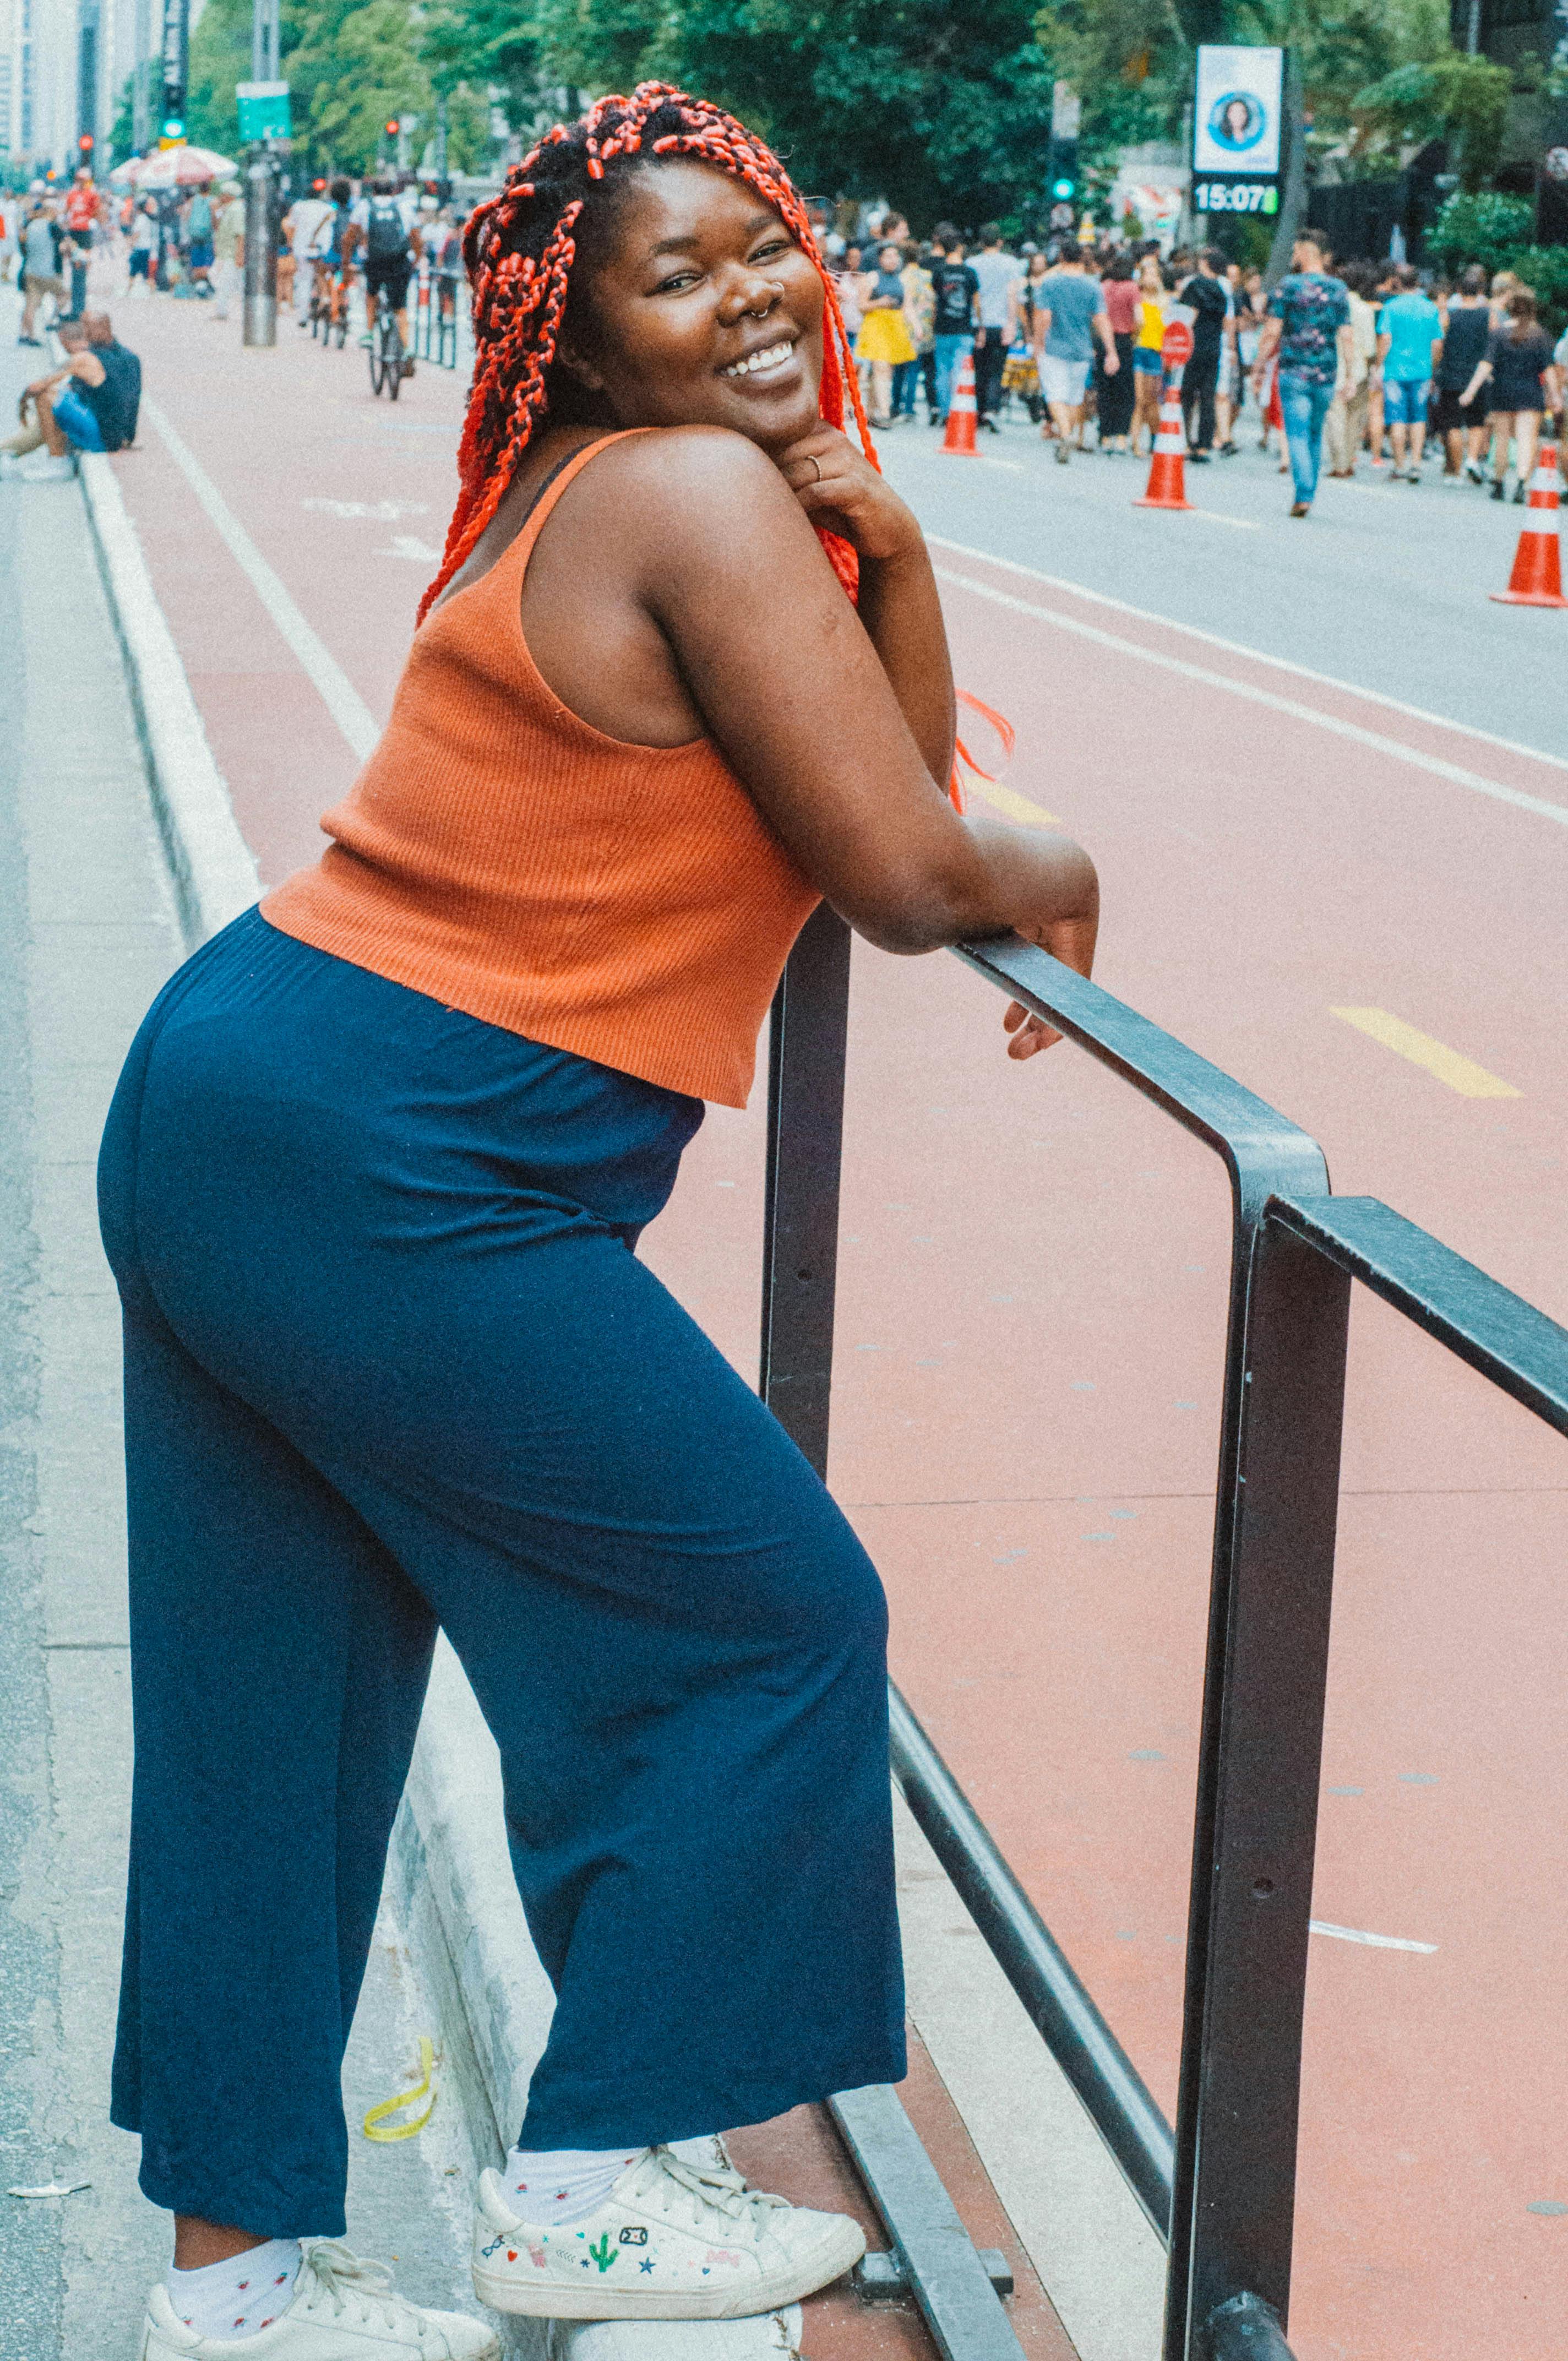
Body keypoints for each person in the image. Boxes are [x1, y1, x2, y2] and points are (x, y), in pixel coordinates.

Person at [95, 77, 1099, 2361]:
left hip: (258, 1102)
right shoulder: (682, 494)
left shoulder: (638, 493)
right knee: (764, 1621)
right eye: (677, 273)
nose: (747, 296)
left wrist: (907, 556)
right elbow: (924, 865)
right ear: (589, 335)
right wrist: (1068, 876)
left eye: (764, 244)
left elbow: (886, 771)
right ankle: (592, 2179)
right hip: (391, 1154)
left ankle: (240, 2294)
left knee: (282, 1709)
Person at [1253, 228, 1351, 517]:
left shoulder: (1288, 286)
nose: (1293, 256)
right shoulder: (1338, 289)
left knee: (1296, 432)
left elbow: (1272, 332)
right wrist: (1348, 374)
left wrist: (1258, 367)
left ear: (1307, 253)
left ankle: (1304, 491)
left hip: (1294, 369)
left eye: (1296, 251)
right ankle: (1309, 491)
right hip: (1326, 371)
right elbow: (1346, 334)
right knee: (1314, 432)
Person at [0, 309, 139, 479]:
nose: (85, 333)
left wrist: (23, 404)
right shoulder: (131, 357)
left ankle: (57, 462)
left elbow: (36, 387)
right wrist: (128, 437)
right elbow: (132, 401)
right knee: (58, 405)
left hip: (102, 437)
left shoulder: (85, 358)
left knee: (47, 398)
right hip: (117, 435)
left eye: (87, 328)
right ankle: (7, 451)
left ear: (103, 328)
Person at [1461, 287, 1561, 501]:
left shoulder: (1499, 334)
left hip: (1502, 392)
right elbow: (1549, 370)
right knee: (1527, 440)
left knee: (1502, 439)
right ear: (1533, 309)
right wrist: (1555, 396)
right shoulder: (1540, 336)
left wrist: (1470, 391)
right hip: (1530, 394)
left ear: (1511, 308)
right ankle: (1521, 483)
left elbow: (1486, 365)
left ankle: (1498, 482)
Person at [1032, 244, 1117, 461]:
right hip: (1082, 350)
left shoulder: (1049, 284)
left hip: (1055, 348)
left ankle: (1066, 434)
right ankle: (1066, 433)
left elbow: (1045, 317)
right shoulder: (1092, 287)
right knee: (1073, 398)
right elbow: (1101, 319)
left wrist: (1038, 342)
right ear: (1082, 259)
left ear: (1061, 257)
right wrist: (1111, 351)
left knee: (1054, 395)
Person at [1375, 262, 1441, 482]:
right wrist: (1432, 367)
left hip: (1395, 370)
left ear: (1397, 282)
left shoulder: (1391, 307)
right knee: (1419, 418)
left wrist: (1379, 364)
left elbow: (1385, 338)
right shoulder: (1430, 308)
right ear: (1418, 282)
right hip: (1422, 370)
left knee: (1397, 418)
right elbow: (1437, 343)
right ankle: (1416, 464)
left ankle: (1400, 465)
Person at [351, 173, 422, 374]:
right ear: (393, 191)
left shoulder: (364, 207)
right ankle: (407, 349)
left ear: (373, 191)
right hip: (400, 263)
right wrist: (415, 260)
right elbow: (416, 238)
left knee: (371, 293)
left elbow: (350, 236)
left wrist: (348, 262)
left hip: (374, 262)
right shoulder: (404, 207)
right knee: (400, 307)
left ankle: (369, 332)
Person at [1434, 263, 1491, 484]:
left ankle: (1456, 470)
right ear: (1479, 291)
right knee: (1476, 422)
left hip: (1452, 374)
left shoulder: (1450, 315)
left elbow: (1439, 342)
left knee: (1453, 424)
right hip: (1477, 375)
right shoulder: (1488, 315)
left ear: (1459, 291)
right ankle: (1472, 460)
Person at [1325, 260, 1378, 478]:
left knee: (1336, 417)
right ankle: (1348, 462)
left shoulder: (1331, 305)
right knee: (1354, 419)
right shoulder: (1366, 310)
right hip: (1359, 370)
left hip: (1333, 366)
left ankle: (1338, 464)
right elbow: (1369, 347)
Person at [855, 241, 916, 427]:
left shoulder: (902, 280)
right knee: (881, 368)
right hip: (875, 326)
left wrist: (917, 327)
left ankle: (872, 412)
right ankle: (884, 412)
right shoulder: (872, 278)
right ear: (880, 259)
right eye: (888, 256)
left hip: (895, 327)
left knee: (883, 371)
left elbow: (908, 307)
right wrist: (879, 303)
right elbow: (861, 306)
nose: (893, 260)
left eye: (895, 256)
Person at [1177, 247, 1229, 462]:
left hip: (1194, 346)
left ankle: (1185, 442)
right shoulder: (1222, 291)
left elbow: (1189, 316)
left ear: (1206, 263)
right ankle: (1204, 445)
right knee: (1208, 396)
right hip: (1213, 347)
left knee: (1187, 395)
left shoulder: (1195, 286)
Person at [970, 222, 1021, 432]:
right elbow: (1012, 295)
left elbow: (975, 297)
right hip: (1001, 323)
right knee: (996, 370)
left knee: (979, 369)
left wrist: (979, 323)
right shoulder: (1011, 264)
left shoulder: (972, 263)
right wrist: (1012, 323)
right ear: (1000, 241)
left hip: (978, 322)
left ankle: (979, 410)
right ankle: (992, 409)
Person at [928, 225, 978, 425]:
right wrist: (980, 325)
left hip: (942, 326)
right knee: (960, 369)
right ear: (958, 248)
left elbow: (934, 301)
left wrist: (933, 323)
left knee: (941, 370)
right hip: (964, 327)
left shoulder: (939, 272)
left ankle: (944, 411)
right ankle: (957, 409)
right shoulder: (970, 273)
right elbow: (976, 302)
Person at [1095, 253, 1138, 451]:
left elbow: (1096, 316)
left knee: (1105, 389)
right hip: (1123, 340)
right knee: (1125, 390)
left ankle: (1105, 435)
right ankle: (1121, 435)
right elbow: (1140, 318)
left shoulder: (1104, 286)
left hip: (1103, 340)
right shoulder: (1132, 288)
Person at [1130, 253, 1168, 454]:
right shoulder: (1137, 298)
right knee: (1139, 400)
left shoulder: (1166, 302)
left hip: (1157, 352)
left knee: (1153, 401)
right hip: (1139, 349)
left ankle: (1155, 436)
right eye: (1148, 275)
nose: (1151, 279)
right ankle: (1135, 442)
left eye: (1155, 275)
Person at [284, 183, 335, 323]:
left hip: (302, 249)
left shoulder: (298, 207)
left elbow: (290, 227)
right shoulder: (328, 209)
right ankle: (326, 299)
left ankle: (303, 317)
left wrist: (291, 243)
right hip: (322, 249)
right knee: (323, 274)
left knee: (304, 280)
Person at [894, 239, 932, 421]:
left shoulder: (900, 278)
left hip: (902, 325)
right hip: (921, 327)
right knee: (914, 370)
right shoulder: (927, 277)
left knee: (899, 368)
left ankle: (895, 404)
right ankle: (909, 407)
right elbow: (931, 303)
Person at [18, 197, 66, 344]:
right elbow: (65, 246)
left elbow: (23, 248)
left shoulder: (28, 226)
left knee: (30, 305)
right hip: (47, 272)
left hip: (29, 270)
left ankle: (27, 335)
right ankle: (51, 321)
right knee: (63, 295)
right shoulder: (51, 227)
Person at [62, 166, 102, 317]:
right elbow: (67, 212)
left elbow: (97, 211)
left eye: (83, 180)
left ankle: (80, 308)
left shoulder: (92, 195)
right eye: (79, 180)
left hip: (85, 232)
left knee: (82, 268)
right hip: (74, 233)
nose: (81, 182)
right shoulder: (72, 195)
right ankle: (76, 308)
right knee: (75, 269)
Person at [211, 183, 246, 323]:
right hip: (227, 253)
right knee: (233, 283)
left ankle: (222, 312)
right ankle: (223, 311)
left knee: (226, 283)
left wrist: (239, 254)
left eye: (223, 194)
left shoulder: (236, 210)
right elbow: (217, 226)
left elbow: (241, 234)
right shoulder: (227, 209)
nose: (220, 197)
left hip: (233, 254)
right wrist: (214, 210)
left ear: (228, 196)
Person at [183, 182, 216, 298]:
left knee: (196, 262)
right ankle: (206, 287)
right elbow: (215, 218)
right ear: (210, 189)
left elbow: (186, 216)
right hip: (207, 235)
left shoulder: (192, 201)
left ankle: (198, 287)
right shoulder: (213, 201)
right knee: (208, 262)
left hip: (194, 235)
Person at [128, 197, 160, 297]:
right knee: (146, 273)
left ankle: (128, 292)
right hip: (147, 249)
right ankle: (152, 292)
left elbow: (136, 234)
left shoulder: (141, 219)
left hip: (141, 249)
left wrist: (131, 244)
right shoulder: (148, 219)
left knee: (134, 272)